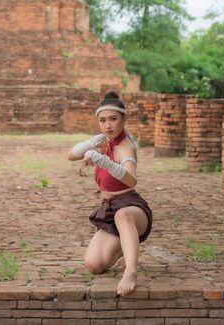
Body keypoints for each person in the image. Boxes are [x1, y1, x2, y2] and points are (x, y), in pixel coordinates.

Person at [67, 92, 152, 296]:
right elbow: (70, 156)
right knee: (94, 265)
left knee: (123, 216)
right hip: (108, 209)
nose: (108, 126)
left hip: (131, 208)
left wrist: (104, 162)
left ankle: (131, 270)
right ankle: (125, 246)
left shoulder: (124, 147)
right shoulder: (105, 141)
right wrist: (89, 145)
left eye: (113, 119)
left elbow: (131, 179)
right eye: (103, 120)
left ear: (124, 119)